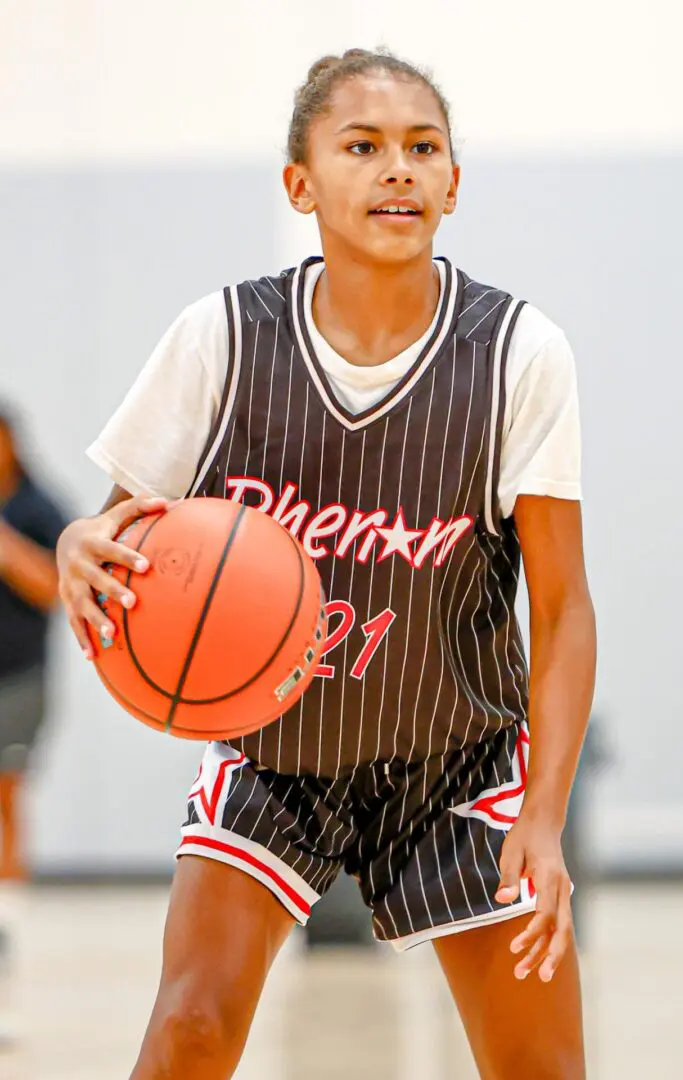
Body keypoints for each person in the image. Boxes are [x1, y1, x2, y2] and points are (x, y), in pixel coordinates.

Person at [56, 49, 596, 1079]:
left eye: (421, 148)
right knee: (191, 1030)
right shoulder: (221, 336)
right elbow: (118, 531)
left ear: (453, 183)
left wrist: (544, 814)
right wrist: (87, 540)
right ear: (300, 183)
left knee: (543, 1067)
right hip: (272, 756)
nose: (397, 168)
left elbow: (564, 607)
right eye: (362, 146)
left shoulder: (521, 353)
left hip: (460, 763)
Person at [0, 403, 67, 1040]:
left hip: (17, 682)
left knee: (7, 798)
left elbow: (58, 588)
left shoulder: (39, 507)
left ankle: (7, 932)